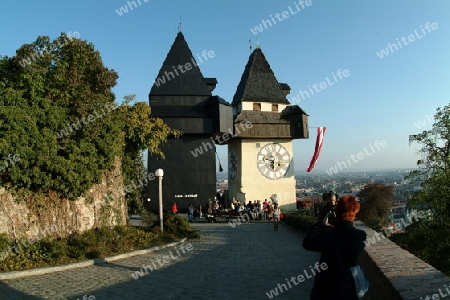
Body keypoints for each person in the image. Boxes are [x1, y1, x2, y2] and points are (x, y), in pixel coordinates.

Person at [302, 195, 367, 300]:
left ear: (337, 211)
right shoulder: (360, 235)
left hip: (325, 286)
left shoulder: (328, 233)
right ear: (354, 213)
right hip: (347, 287)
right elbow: (352, 261)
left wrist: (321, 225)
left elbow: (307, 243)